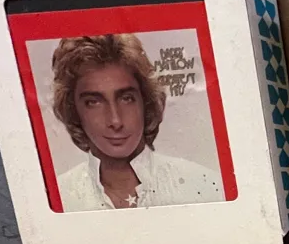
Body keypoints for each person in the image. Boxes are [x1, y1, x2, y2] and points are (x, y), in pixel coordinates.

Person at [51, 34, 224, 211]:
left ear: (146, 101)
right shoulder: (58, 198)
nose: (115, 121)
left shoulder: (204, 186)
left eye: (126, 98)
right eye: (93, 102)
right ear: (74, 110)